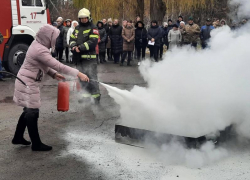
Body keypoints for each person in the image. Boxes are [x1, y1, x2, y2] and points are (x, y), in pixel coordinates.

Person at [12, 24, 89, 151]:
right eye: (54, 37)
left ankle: (18, 137)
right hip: (27, 82)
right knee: (32, 112)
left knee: (28, 110)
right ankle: (36, 144)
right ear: (48, 37)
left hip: (26, 80)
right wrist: (78, 73)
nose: (55, 40)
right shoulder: (40, 49)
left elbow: (42, 64)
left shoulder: (38, 45)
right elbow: (59, 66)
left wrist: (53, 74)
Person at [69, 8, 101, 104]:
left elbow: (93, 42)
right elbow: (72, 39)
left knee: (91, 77)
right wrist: (74, 46)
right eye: (81, 18)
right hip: (79, 58)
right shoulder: (77, 28)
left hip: (89, 59)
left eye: (85, 18)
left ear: (89, 17)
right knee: (82, 78)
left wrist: (80, 47)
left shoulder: (93, 28)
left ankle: (96, 97)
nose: (83, 20)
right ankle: (86, 95)